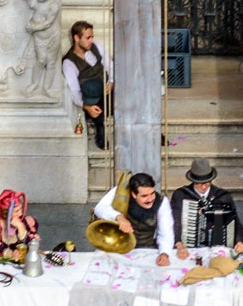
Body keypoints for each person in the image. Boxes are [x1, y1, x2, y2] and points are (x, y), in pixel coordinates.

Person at [168, 159, 243, 258]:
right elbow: (174, 222)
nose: (203, 187)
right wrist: (178, 243)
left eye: (206, 183)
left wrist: (240, 241)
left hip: (217, 251)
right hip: (189, 249)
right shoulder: (181, 195)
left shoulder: (223, 196)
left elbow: (235, 222)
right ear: (193, 181)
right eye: (199, 183)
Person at [94, 172, 177, 267]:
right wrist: (119, 217)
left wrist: (164, 253)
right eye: (144, 196)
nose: (150, 199)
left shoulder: (162, 202)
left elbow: (166, 232)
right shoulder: (120, 191)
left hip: (146, 248)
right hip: (117, 246)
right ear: (133, 194)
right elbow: (99, 208)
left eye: (152, 193)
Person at [62, 21, 111, 150]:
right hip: (92, 98)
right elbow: (74, 92)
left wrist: (111, 83)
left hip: (108, 91)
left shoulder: (97, 47)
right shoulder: (69, 63)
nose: (91, 40)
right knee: (92, 87)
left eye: (92, 37)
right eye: (88, 38)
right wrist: (87, 107)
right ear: (76, 38)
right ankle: (100, 128)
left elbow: (111, 67)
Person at [0, 189, 40, 262]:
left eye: (21, 209)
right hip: (0, 262)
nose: (20, 214)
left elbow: (30, 242)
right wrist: (9, 254)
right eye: (16, 211)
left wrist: (21, 227)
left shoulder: (23, 221)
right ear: (6, 213)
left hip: (21, 261)